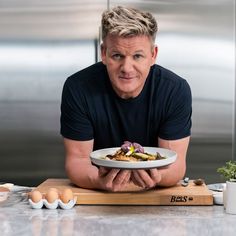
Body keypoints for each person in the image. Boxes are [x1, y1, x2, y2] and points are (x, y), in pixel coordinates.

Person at [60, 6, 192, 192]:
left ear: (153, 55)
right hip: (98, 192)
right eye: (117, 56)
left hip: (155, 197)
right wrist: (99, 181)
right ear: (104, 53)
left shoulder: (175, 90)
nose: (127, 68)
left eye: (137, 56)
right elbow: (77, 161)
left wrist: (158, 176)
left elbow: (176, 164)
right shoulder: (78, 88)